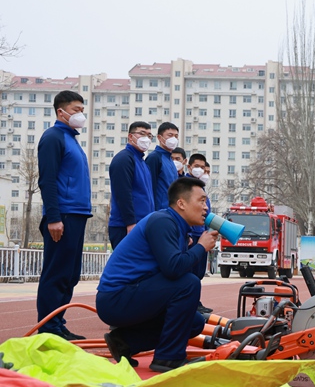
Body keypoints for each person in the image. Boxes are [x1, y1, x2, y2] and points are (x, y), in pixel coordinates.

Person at [97, 178, 219, 372]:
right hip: (116, 298)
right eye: (201, 201)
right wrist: (200, 247)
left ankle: (124, 342)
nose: (206, 208)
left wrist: (196, 247)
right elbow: (173, 270)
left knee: (194, 322)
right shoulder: (163, 221)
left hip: (132, 293)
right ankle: (168, 358)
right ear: (181, 203)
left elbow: (184, 272)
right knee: (188, 284)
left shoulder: (178, 228)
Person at [36, 90, 92, 340]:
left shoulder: (72, 139)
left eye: (82, 109)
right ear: (61, 111)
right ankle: (48, 327)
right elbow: (47, 180)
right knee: (56, 273)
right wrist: (54, 217)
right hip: (63, 215)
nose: (81, 114)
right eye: (76, 109)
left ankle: (57, 323)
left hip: (78, 214)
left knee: (70, 275)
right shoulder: (53, 137)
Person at [108, 122, 155, 249]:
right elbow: (122, 193)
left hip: (142, 224)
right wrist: (130, 223)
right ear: (130, 137)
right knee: (126, 266)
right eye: (142, 134)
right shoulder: (124, 159)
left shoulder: (143, 163)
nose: (146, 138)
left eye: (150, 135)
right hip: (126, 226)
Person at [183, 153, 213, 311]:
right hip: (191, 236)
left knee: (199, 272)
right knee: (189, 271)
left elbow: (206, 215)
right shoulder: (185, 186)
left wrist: (208, 233)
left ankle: (195, 302)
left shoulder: (201, 189)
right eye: (198, 167)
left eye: (205, 169)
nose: (201, 171)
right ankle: (190, 303)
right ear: (189, 167)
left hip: (201, 234)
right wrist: (186, 233)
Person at [145, 122, 180, 209]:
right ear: (159, 137)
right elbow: (149, 188)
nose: (174, 139)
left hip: (171, 210)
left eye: (176, 136)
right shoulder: (154, 158)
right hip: (159, 211)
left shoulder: (169, 159)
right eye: (170, 135)